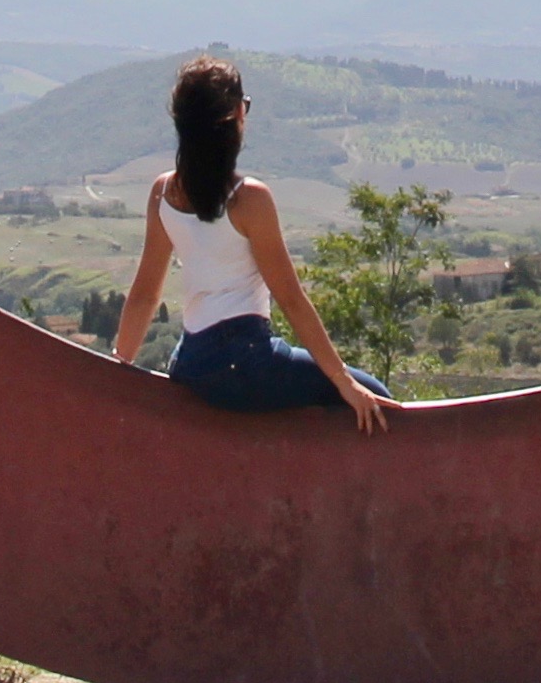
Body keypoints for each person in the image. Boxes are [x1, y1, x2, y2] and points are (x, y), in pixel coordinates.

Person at [101, 56, 392, 431]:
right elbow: (290, 298)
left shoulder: (163, 192)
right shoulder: (249, 198)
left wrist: (117, 367)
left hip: (192, 366)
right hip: (249, 362)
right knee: (376, 395)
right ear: (238, 113)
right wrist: (344, 382)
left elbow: (144, 295)